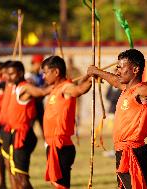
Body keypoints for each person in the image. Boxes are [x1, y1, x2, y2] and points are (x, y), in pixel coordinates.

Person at [87, 49, 147, 189]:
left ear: (135, 69)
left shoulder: (140, 90)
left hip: (134, 153)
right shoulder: (126, 89)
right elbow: (115, 81)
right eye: (117, 67)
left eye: (121, 67)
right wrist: (97, 71)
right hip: (123, 152)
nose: (118, 70)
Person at [40, 56, 92, 189]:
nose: (43, 77)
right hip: (53, 144)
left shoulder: (66, 88)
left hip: (61, 146)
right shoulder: (56, 88)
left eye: (45, 73)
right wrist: (87, 76)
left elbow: (79, 90)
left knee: (62, 185)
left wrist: (90, 79)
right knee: (58, 184)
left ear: (56, 72)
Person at [6, 60, 52, 189]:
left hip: (23, 136)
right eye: (8, 74)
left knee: (22, 177)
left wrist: (58, 85)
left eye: (12, 74)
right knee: (17, 175)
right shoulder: (15, 86)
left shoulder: (25, 87)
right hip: (16, 134)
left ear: (20, 73)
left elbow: (41, 92)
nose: (9, 77)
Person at [24, 54, 45, 138]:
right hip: (31, 105)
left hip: (40, 104)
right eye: (39, 64)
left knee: (44, 127)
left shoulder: (41, 75)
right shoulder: (28, 76)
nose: (40, 66)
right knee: (29, 128)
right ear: (34, 63)